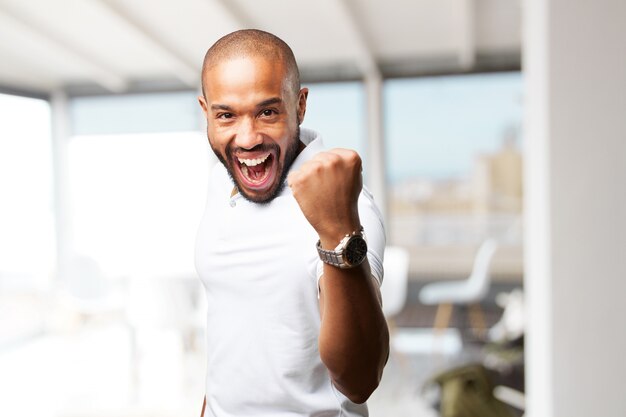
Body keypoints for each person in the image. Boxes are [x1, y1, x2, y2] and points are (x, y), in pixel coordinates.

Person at [195, 29, 389, 417]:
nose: (247, 139)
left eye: (267, 111)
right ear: (207, 112)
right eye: (226, 115)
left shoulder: (346, 205)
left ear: (299, 105)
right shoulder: (224, 180)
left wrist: (338, 231)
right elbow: (229, 344)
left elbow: (360, 379)